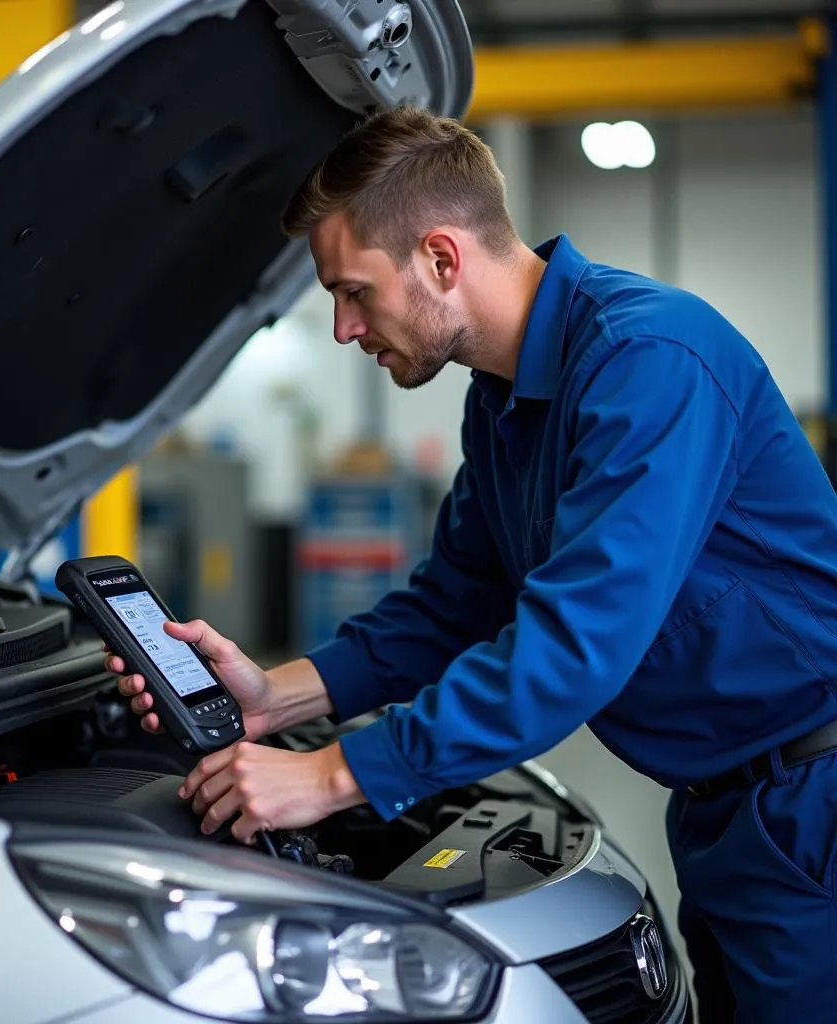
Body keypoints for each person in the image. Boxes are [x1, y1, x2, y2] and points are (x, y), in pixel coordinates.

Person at [107, 105, 837, 1020]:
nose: (341, 328)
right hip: (727, 813)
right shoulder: (500, 407)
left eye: (354, 291)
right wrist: (278, 695)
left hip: (815, 801)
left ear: (441, 259)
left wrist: (334, 776)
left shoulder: (649, 362)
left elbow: (571, 651)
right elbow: (450, 609)